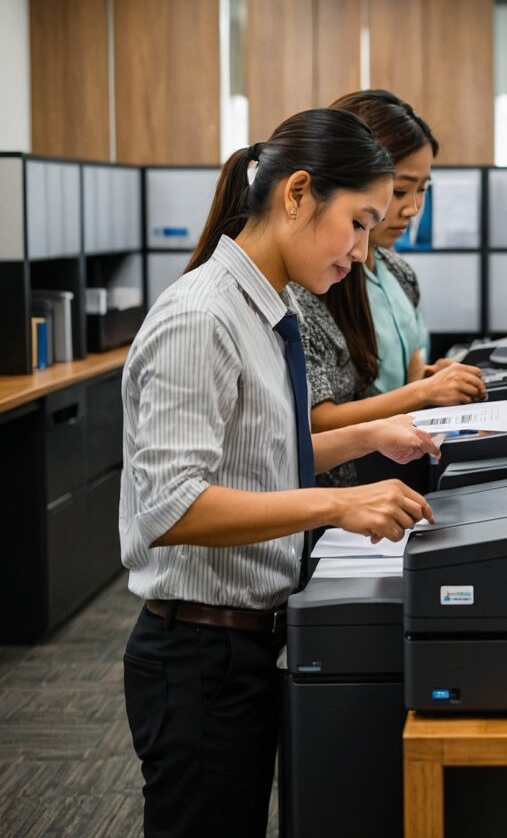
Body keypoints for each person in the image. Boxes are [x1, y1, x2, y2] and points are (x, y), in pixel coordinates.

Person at [120, 108, 440, 838]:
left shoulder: (263, 309)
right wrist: (334, 508)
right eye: (358, 223)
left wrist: (369, 435)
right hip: (199, 651)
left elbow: (259, 453)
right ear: (298, 194)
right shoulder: (203, 317)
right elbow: (171, 508)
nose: (363, 252)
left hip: (244, 642)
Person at [290, 90, 484, 485]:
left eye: (423, 189)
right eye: (400, 191)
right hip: (350, 484)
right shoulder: (310, 282)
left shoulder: (399, 272)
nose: (413, 208)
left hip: (405, 469)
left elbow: (412, 371)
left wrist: (431, 378)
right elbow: (317, 421)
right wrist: (423, 392)